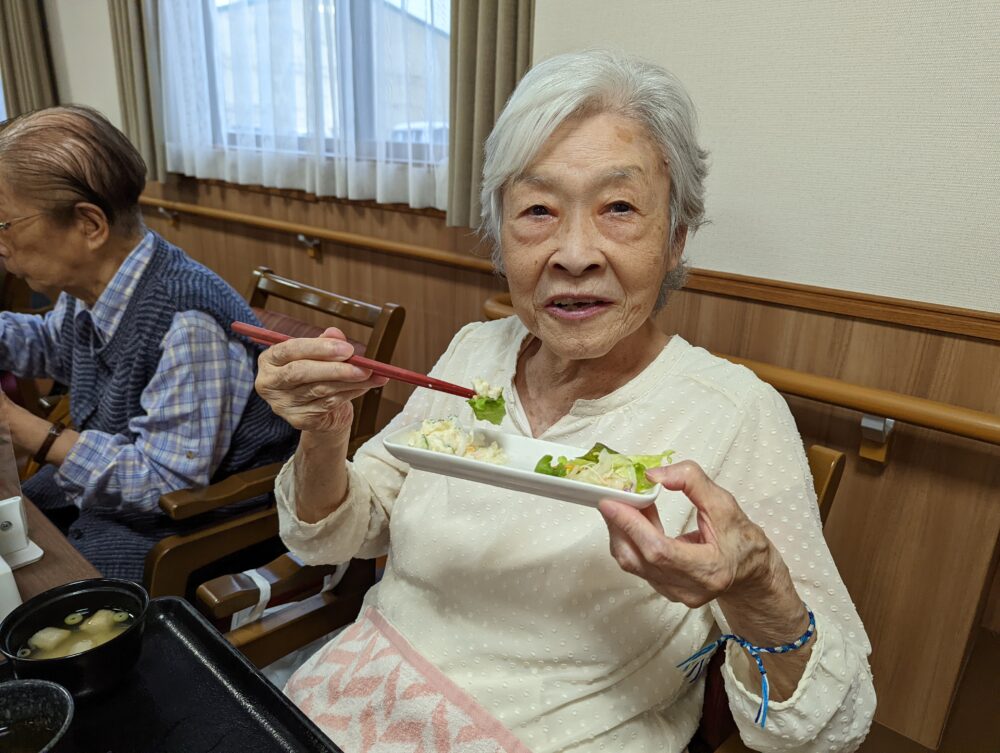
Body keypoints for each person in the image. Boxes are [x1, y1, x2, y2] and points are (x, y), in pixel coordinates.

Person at [256, 51, 876, 753]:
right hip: (343, 703)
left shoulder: (735, 413)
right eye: (538, 210)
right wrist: (324, 431)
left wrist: (756, 584)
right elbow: (336, 534)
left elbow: (831, 724)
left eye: (618, 208)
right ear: (501, 236)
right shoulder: (475, 350)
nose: (574, 252)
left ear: (675, 240)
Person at [0, 105, 297, 580]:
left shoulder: (187, 318)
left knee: (45, 591)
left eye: (5, 225)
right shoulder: (92, 284)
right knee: (12, 532)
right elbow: (53, 345)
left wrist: (25, 427)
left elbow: (163, 483)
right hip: (124, 487)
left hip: (199, 524)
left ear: (89, 225)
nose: (1, 245)